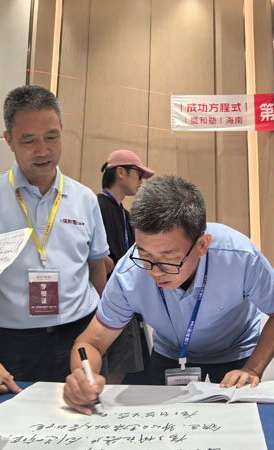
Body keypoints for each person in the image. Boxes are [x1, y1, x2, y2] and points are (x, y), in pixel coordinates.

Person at [63, 175, 274, 414]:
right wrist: (82, 377)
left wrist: (253, 368)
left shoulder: (239, 257)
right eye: (144, 255)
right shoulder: (128, 273)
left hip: (236, 352)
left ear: (202, 245)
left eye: (169, 259)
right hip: (171, 354)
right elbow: (91, 342)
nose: (155, 271)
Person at [0, 85, 109, 395]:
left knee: (84, 415)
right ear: (9, 140)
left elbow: (97, 269)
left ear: (62, 131)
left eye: (52, 137)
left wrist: (104, 334)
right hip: (12, 342)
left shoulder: (84, 198)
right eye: (29, 141)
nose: (43, 151)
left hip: (79, 334)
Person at [98, 150, 154, 384]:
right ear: (121, 172)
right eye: (139, 174)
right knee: (108, 366)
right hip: (104, 300)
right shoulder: (96, 206)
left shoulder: (126, 214)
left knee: (122, 366)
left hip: (126, 300)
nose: (141, 181)